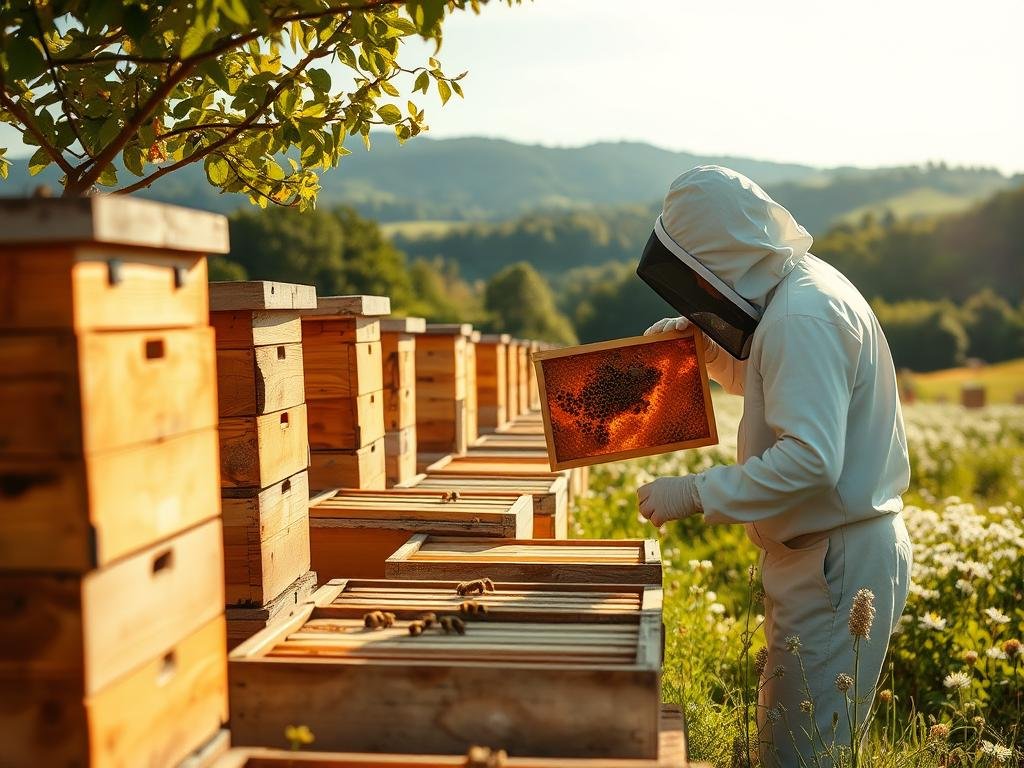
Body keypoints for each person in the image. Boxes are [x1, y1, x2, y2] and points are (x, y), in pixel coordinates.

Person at [635, 166, 913, 766]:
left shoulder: (802, 315)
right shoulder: (800, 296)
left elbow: (810, 461)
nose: (701, 293)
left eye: (698, 277)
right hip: (821, 553)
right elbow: (776, 386)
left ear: (721, 255)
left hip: (835, 563)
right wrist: (707, 351)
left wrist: (694, 493)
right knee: (787, 748)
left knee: (801, 757)